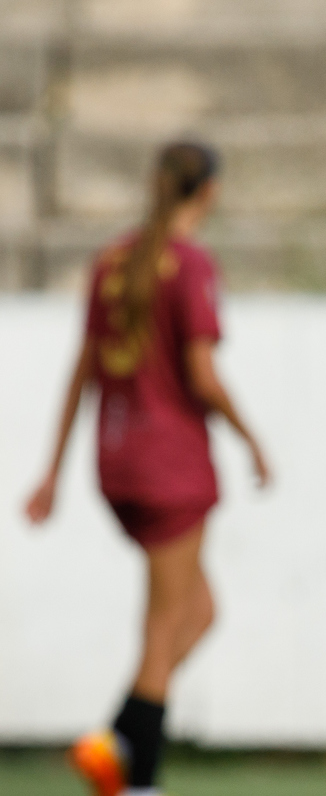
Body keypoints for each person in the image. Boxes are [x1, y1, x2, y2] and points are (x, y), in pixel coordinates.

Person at [23, 140, 270, 796]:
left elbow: (83, 369)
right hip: (172, 468)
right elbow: (201, 375)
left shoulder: (112, 261)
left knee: (198, 612)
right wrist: (252, 439)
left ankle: (117, 740)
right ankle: (139, 779)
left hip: (117, 461)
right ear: (208, 191)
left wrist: (53, 471)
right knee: (165, 630)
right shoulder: (188, 264)